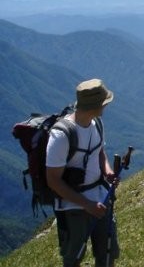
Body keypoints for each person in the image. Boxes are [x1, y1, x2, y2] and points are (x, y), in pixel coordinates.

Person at [46, 78, 120, 267]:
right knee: (73, 257)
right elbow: (53, 180)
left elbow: (99, 152)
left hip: (100, 198)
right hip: (73, 206)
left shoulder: (97, 123)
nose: (106, 106)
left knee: (107, 251)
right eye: (104, 103)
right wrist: (87, 205)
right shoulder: (61, 135)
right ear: (96, 105)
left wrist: (108, 172)